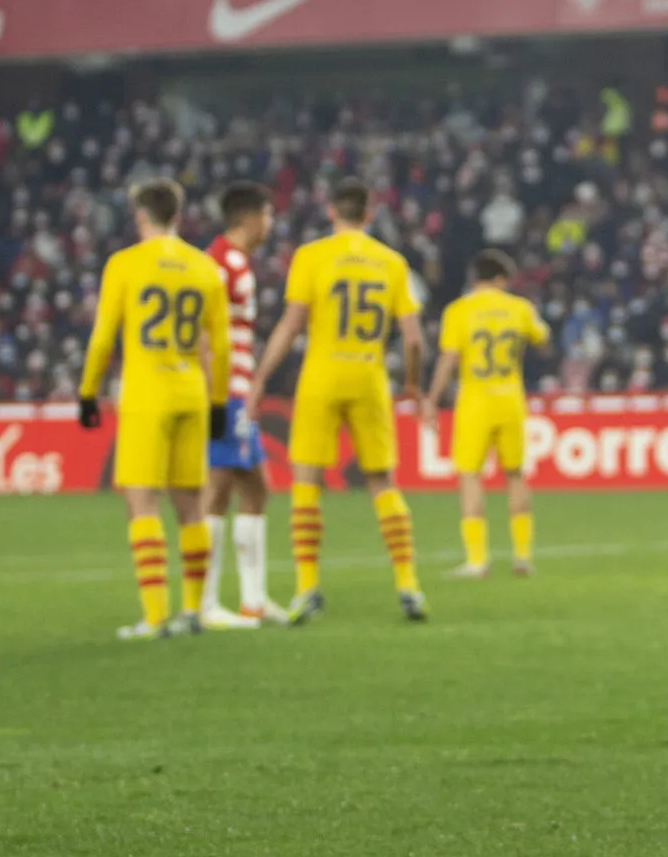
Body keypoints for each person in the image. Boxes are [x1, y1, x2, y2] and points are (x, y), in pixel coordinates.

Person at [247, 179, 428, 623]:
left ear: (331, 212)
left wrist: (258, 381)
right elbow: (414, 338)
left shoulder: (310, 257)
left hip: (322, 376)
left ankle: (307, 588)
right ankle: (408, 587)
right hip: (368, 376)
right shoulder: (391, 262)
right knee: (383, 483)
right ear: (370, 215)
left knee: (306, 482)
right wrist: (412, 385)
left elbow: (290, 326)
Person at [77, 180, 231, 639]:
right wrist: (219, 401)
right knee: (190, 506)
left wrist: (87, 392)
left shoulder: (125, 264)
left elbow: (104, 336)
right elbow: (219, 348)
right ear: (178, 215)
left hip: (148, 394)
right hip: (191, 393)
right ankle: (193, 613)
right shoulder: (205, 268)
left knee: (141, 501)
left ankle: (154, 616)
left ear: (140, 216)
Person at [421, 249, 549, 578]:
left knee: (470, 476)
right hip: (510, 400)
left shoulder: (459, 311)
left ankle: (477, 561)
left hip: (474, 401)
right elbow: (542, 339)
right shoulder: (519, 307)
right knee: (516, 475)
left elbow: (448, 360)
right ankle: (523, 557)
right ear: (500, 279)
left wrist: (432, 400)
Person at [202, 182, 286, 627]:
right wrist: (215, 393)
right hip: (223, 394)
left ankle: (254, 599)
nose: (271, 224)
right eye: (268, 215)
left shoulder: (236, 263)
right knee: (216, 488)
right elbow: (201, 327)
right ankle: (207, 602)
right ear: (249, 217)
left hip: (236, 391)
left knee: (255, 488)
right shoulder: (220, 264)